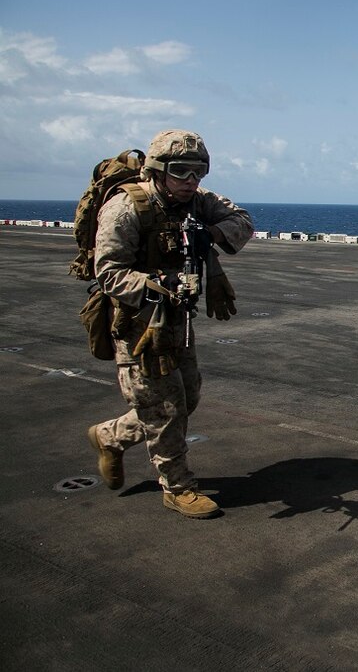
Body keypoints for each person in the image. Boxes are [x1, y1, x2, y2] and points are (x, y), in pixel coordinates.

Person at [86, 129, 253, 519]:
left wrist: (208, 234)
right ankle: (177, 487)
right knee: (164, 408)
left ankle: (111, 436)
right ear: (157, 171)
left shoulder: (196, 202)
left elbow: (242, 221)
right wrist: (158, 284)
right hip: (139, 325)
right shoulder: (127, 208)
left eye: (199, 173)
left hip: (178, 320)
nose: (191, 181)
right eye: (181, 172)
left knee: (188, 397)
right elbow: (109, 273)